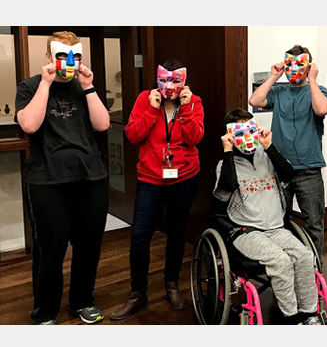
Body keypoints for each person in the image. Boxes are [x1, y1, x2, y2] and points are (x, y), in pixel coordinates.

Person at [15, 31, 110, 325]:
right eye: (61, 55)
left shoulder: (84, 87)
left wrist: (89, 86)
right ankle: (45, 311)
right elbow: (29, 125)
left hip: (90, 177)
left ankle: (82, 300)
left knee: (89, 246)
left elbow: (103, 124)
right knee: (50, 250)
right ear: (48, 56)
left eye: (76, 56)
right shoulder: (29, 86)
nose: (69, 62)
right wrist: (45, 83)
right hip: (48, 180)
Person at [110, 59, 204, 321]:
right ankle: (137, 293)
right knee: (140, 235)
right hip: (150, 178)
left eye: (176, 80)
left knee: (176, 231)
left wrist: (185, 109)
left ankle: (171, 285)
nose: (170, 86)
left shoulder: (193, 102)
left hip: (184, 177)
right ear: (157, 79)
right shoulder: (144, 99)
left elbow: (194, 138)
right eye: (165, 80)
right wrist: (151, 111)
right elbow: (132, 136)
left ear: (184, 81)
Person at [213, 108, 322, 325]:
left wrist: (269, 146)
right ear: (231, 135)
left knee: (304, 255)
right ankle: (291, 318)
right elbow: (226, 189)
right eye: (240, 132)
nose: (248, 137)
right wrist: (227, 151)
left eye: (250, 130)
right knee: (280, 261)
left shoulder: (267, 156)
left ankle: (310, 315)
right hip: (246, 231)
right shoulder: (224, 165)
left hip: (276, 227)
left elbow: (289, 175)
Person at [248, 45, 327, 259]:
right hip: (279, 169)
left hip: (309, 169)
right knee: (278, 221)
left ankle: (314, 269)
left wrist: (312, 79)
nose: (293, 69)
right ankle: (286, 264)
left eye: (299, 64)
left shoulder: (319, 90)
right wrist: (274, 76)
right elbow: (254, 101)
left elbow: (322, 109)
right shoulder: (279, 91)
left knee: (313, 222)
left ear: (309, 66)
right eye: (289, 64)